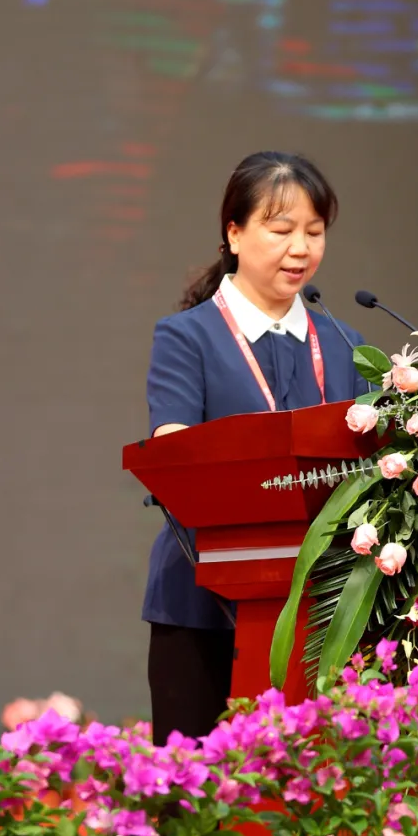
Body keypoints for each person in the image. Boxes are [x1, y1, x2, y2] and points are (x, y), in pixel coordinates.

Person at [142, 152, 367, 744]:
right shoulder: (187, 336)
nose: (301, 248)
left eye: (314, 233)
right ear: (234, 233)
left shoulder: (345, 343)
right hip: (203, 599)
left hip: (323, 607)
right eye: (282, 229)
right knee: (193, 792)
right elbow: (174, 450)